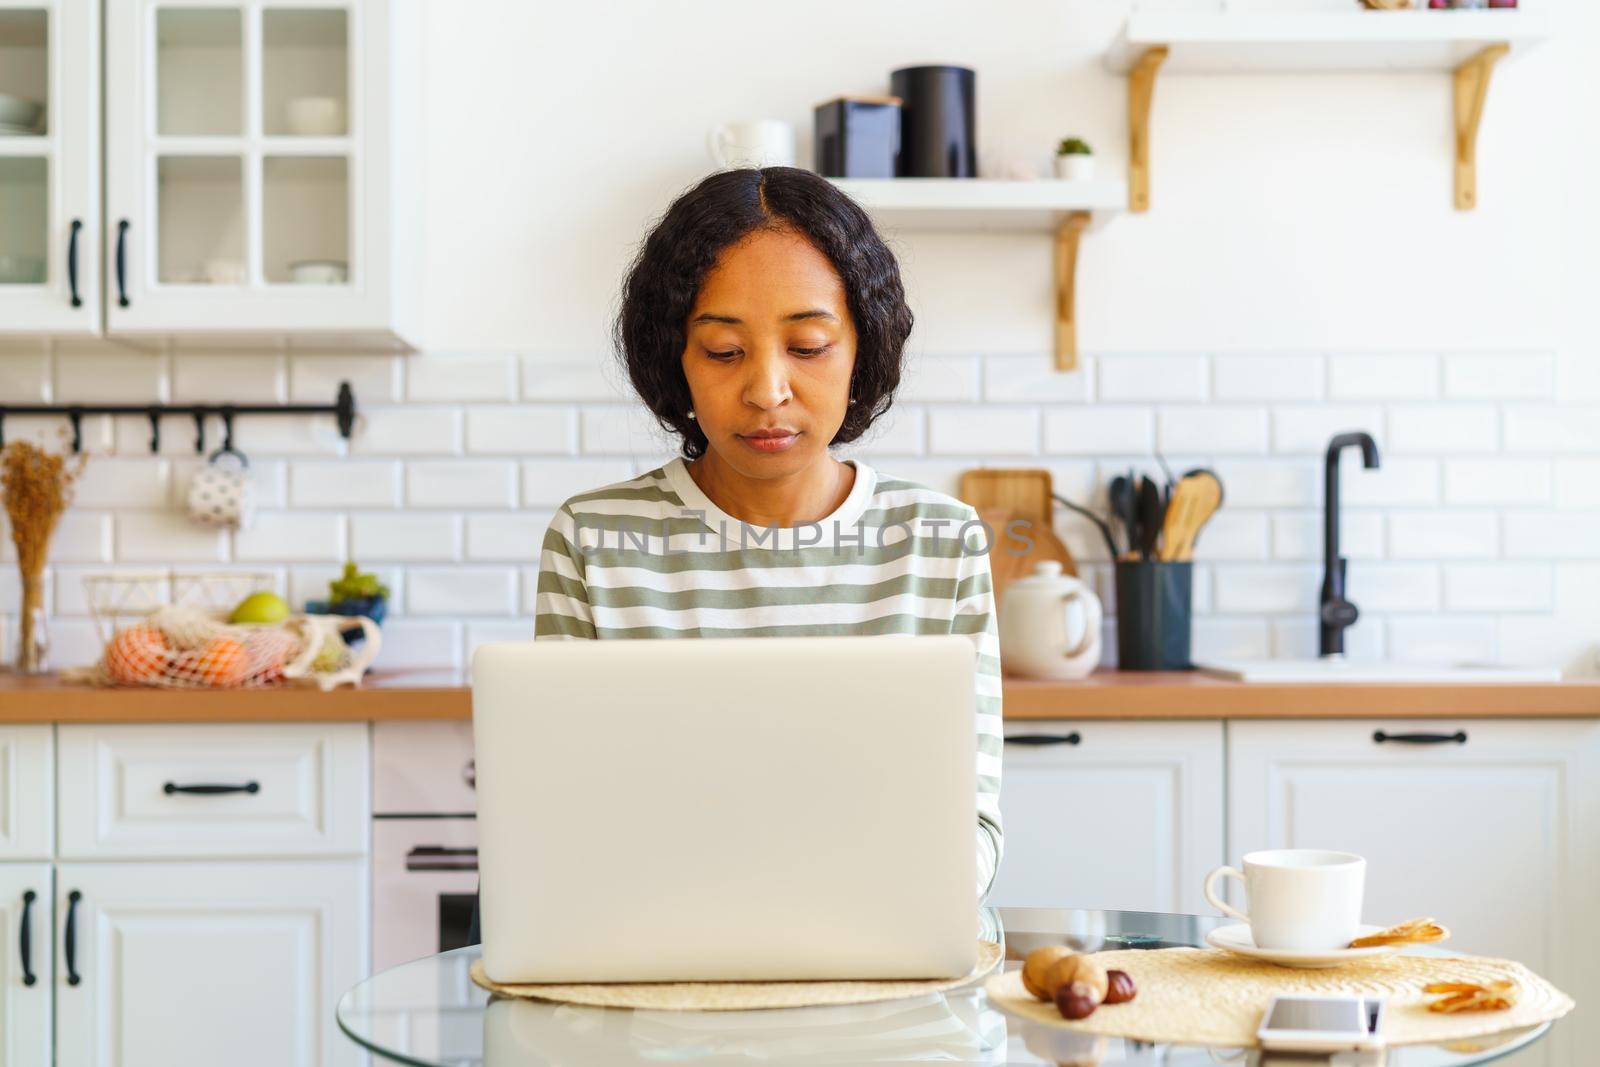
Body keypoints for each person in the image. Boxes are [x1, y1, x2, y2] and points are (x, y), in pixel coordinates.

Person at [468, 167, 1003, 946]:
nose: (767, 389)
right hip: (650, 956)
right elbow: (561, 815)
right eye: (723, 351)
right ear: (674, 359)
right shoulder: (592, 539)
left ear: (863, 348)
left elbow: (974, 825)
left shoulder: (939, 542)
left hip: (881, 956)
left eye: (809, 345)